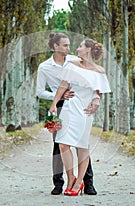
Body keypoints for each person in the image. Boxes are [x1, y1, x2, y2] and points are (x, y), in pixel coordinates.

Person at [36, 33, 98, 195]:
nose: (68, 48)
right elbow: (40, 91)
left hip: (79, 105)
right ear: (55, 47)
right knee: (59, 145)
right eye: (65, 45)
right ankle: (58, 183)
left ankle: (87, 182)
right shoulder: (44, 67)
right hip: (60, 107)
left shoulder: (75, 61)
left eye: (69, 45)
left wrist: (95, 98)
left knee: (81, 143)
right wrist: (58, 97)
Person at [49, 38, 111, 196]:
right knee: (63, 144)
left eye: (80, 46)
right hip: (70, 107)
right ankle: (71, 178)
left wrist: (97, 101)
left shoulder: (99, 71)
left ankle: (78, 184)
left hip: (85, 111)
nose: (77, 49)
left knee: (82, 147)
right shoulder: (72, 65)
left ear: (88, 50)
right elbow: (64, 85)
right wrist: (54, 104)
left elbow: (98, 92)